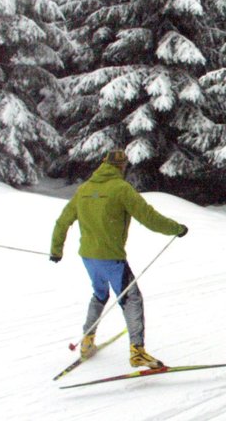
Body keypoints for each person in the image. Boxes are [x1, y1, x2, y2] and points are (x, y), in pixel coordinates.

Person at [50, 149, 188, 368]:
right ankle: (137, 352)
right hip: (111, 258)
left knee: (99, 294)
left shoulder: (85, 189)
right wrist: (177, 228)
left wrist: (56, 250)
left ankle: (87, 341)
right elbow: (149, 217)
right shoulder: (121, 188)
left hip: (88, 256)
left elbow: (62, 221)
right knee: (132, 298)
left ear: (103, 163)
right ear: (122, 167)